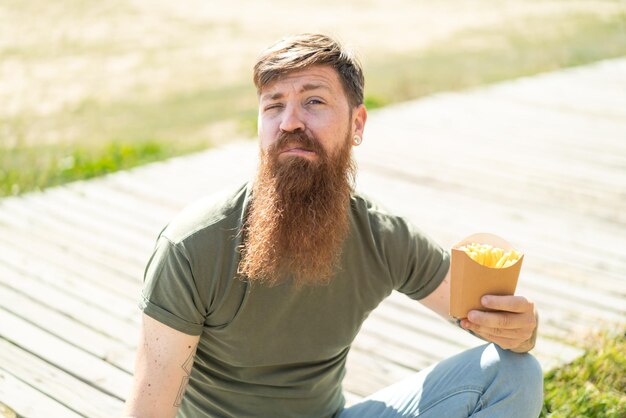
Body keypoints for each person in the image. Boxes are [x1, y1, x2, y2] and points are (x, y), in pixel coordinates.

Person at [122, 33, 542, 418]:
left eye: (314, 102)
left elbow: (497, 325)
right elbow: (150, 410)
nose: (289, 122)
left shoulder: (383, 238)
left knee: (513, 372)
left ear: (357, 124)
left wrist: (522, 331)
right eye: (273, 105)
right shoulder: (193, 247)